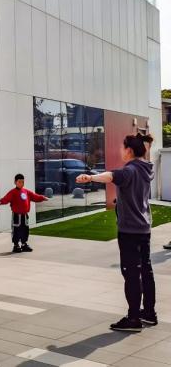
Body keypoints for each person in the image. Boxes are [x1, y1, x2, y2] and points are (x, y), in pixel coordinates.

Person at [77, 133, 157, 332]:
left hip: (130, 231)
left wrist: (90, 177)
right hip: (144, 228)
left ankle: (133, 318)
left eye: (122, 147)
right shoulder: (146, 168)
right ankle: (149, 313)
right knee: (145, 271)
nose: (120, 150)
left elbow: (112, 176)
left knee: (131, 274)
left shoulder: (130, 170)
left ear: (129, 150)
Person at [0, 174, 48, 253]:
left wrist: (42, 198)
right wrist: (1, 202)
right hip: (16, 215)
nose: (21, 183)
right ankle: (16, 245)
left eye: (23, 182)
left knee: (25, 229)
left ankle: (24, 244)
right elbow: (6, 198)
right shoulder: (13, 192)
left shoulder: (26, 191)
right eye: (19, 182)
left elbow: (34, 196)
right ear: (15, 182)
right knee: (16, 230)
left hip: (25, 215)